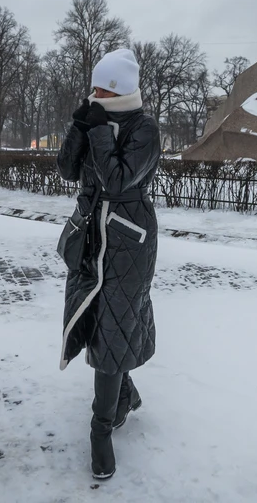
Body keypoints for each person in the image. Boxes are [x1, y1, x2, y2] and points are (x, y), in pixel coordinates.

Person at [56, 49, 161, 480]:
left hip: (127, 240)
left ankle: (100, 431)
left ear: (117, 89)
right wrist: (79, 127)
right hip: (89, 237)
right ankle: (124, 394)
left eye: (101, 88)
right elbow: (66, 170)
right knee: (99, 320)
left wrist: (100, 132)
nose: (94, 94)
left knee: (116, 323)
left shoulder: (145, 129)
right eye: (94, 87)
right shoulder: (96, 119)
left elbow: (119, 182)